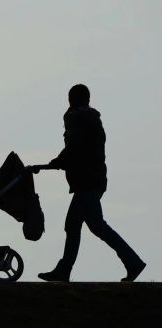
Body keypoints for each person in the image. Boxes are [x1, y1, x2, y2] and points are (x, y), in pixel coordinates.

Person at [35, 84, 145, 282]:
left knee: (96, 225)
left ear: (72, 98)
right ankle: (64, 270)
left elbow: (75, 146)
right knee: (74, 225)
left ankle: (133, 262)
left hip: (87, 181)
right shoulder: (91, 118)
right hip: (92, 179)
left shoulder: (77, 118)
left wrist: (57, 163)